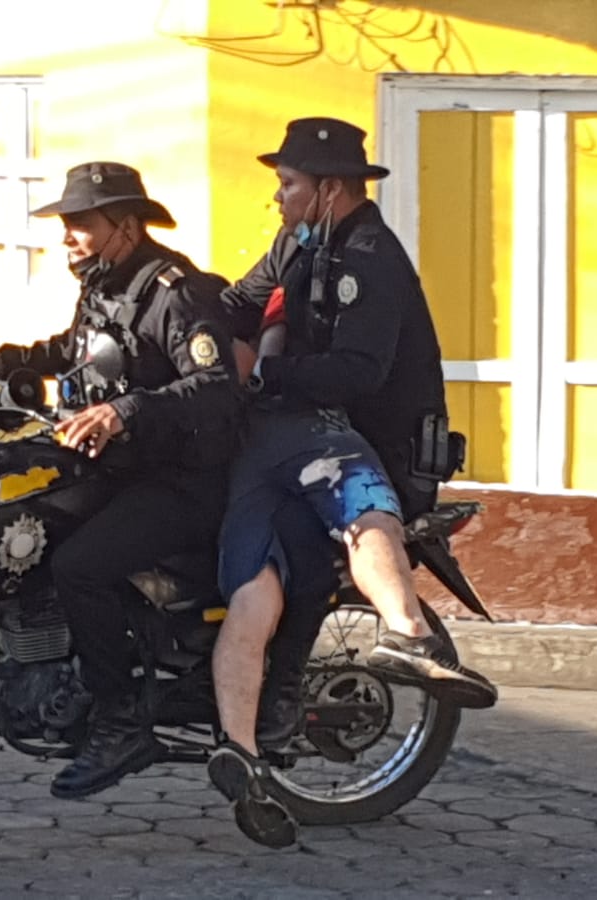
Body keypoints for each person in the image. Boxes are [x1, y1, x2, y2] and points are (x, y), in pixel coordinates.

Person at [205, 118, 498, 846]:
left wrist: (266, 372)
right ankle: (243, 749)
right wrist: (186, 313)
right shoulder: (299, 242)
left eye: (289, 185)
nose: (279, 198)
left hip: (377, 447)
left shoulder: (372, 259)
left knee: (349, 512)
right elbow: (239, 303)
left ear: (329, 189)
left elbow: (359, 371)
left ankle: (407, 638)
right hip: (300, 433)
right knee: (262, 578)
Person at [0, 161, 243, 800]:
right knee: (31, 528)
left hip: (185, 480)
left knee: (81, 567)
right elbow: (77, 350)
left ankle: (122, 721)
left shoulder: (176, 293)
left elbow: (215, 387)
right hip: (123, 470)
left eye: (80, 224)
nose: (68, 237)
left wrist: (124, 412)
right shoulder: (105, 286)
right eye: (66, 225)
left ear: (125, 225)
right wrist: (4, 363)